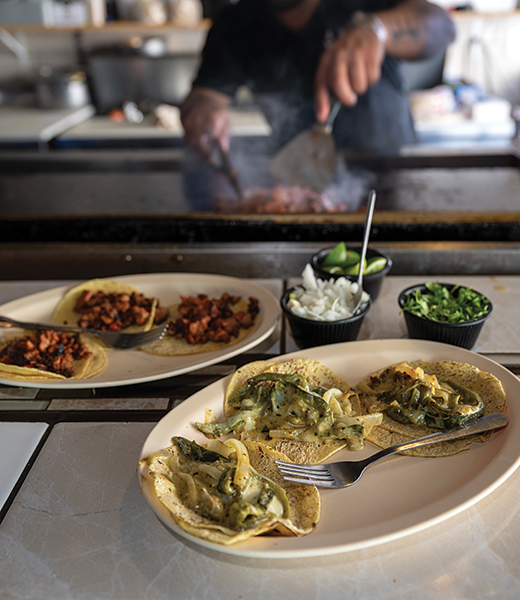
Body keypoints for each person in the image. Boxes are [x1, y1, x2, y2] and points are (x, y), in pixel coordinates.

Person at [181, 0, 456, 160]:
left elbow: (441, 27)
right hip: (301, 180)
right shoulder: (237, 21)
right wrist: (202, 113)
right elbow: (206, 94)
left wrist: (378, 29)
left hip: (393, 175)